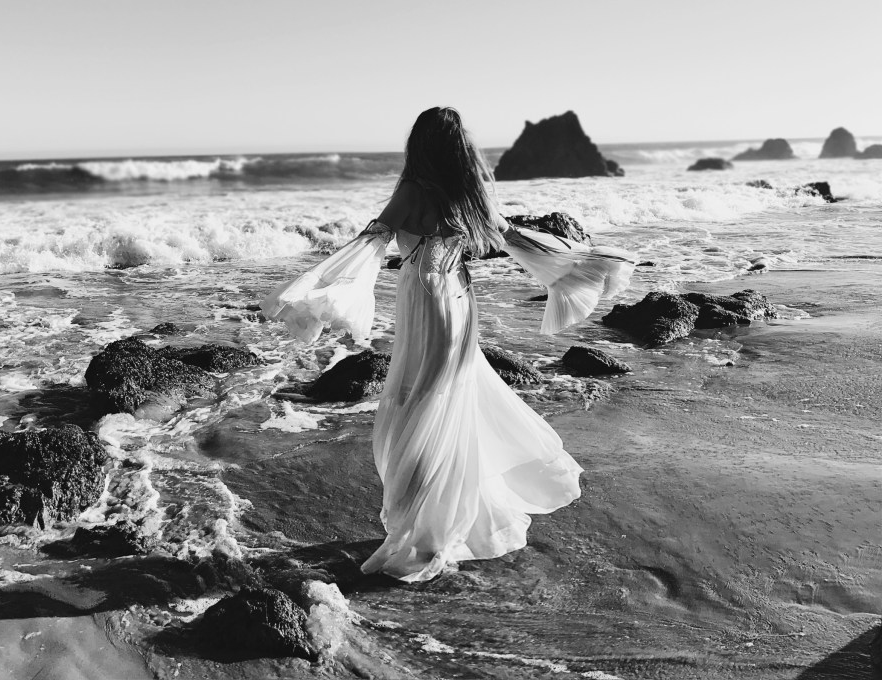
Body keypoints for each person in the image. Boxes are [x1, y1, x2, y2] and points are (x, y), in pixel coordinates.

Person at [261, 107, 635, 582]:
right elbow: (514, 237)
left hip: (422, 302)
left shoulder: (412, 189)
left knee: (420, 408)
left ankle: (425, 526)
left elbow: (367, 244)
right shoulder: (472, 192)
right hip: (459, 305)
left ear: (419, 145)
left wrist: (314, 290)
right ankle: (436, 520)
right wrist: (579, 263)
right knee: (446, 404)